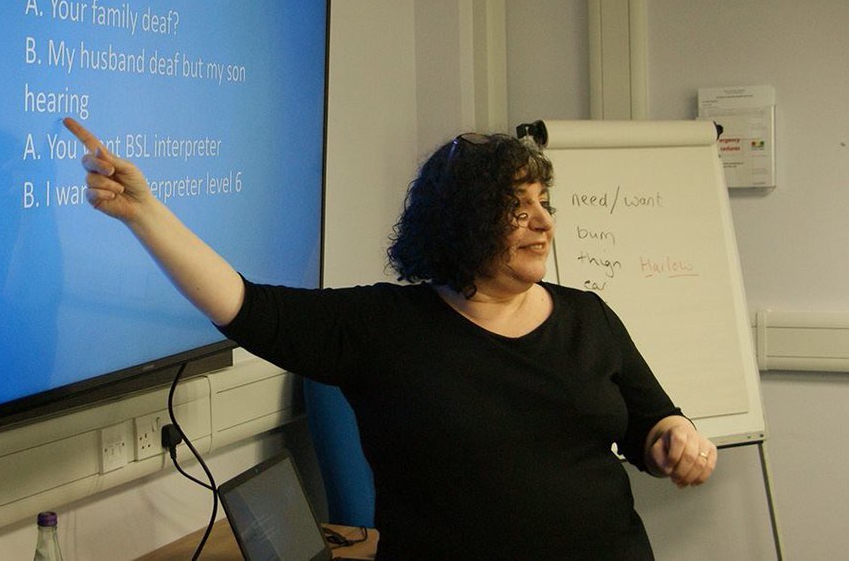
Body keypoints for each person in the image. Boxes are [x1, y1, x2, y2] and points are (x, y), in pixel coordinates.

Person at [63, 118, 716, 560]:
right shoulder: (384, 329)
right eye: (519, 207)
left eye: (545, 203)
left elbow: (650, 424)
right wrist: (143, 214)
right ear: (462, 222)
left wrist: (674, 438)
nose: (544, 222)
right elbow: (244, 306)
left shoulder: (587, 318)